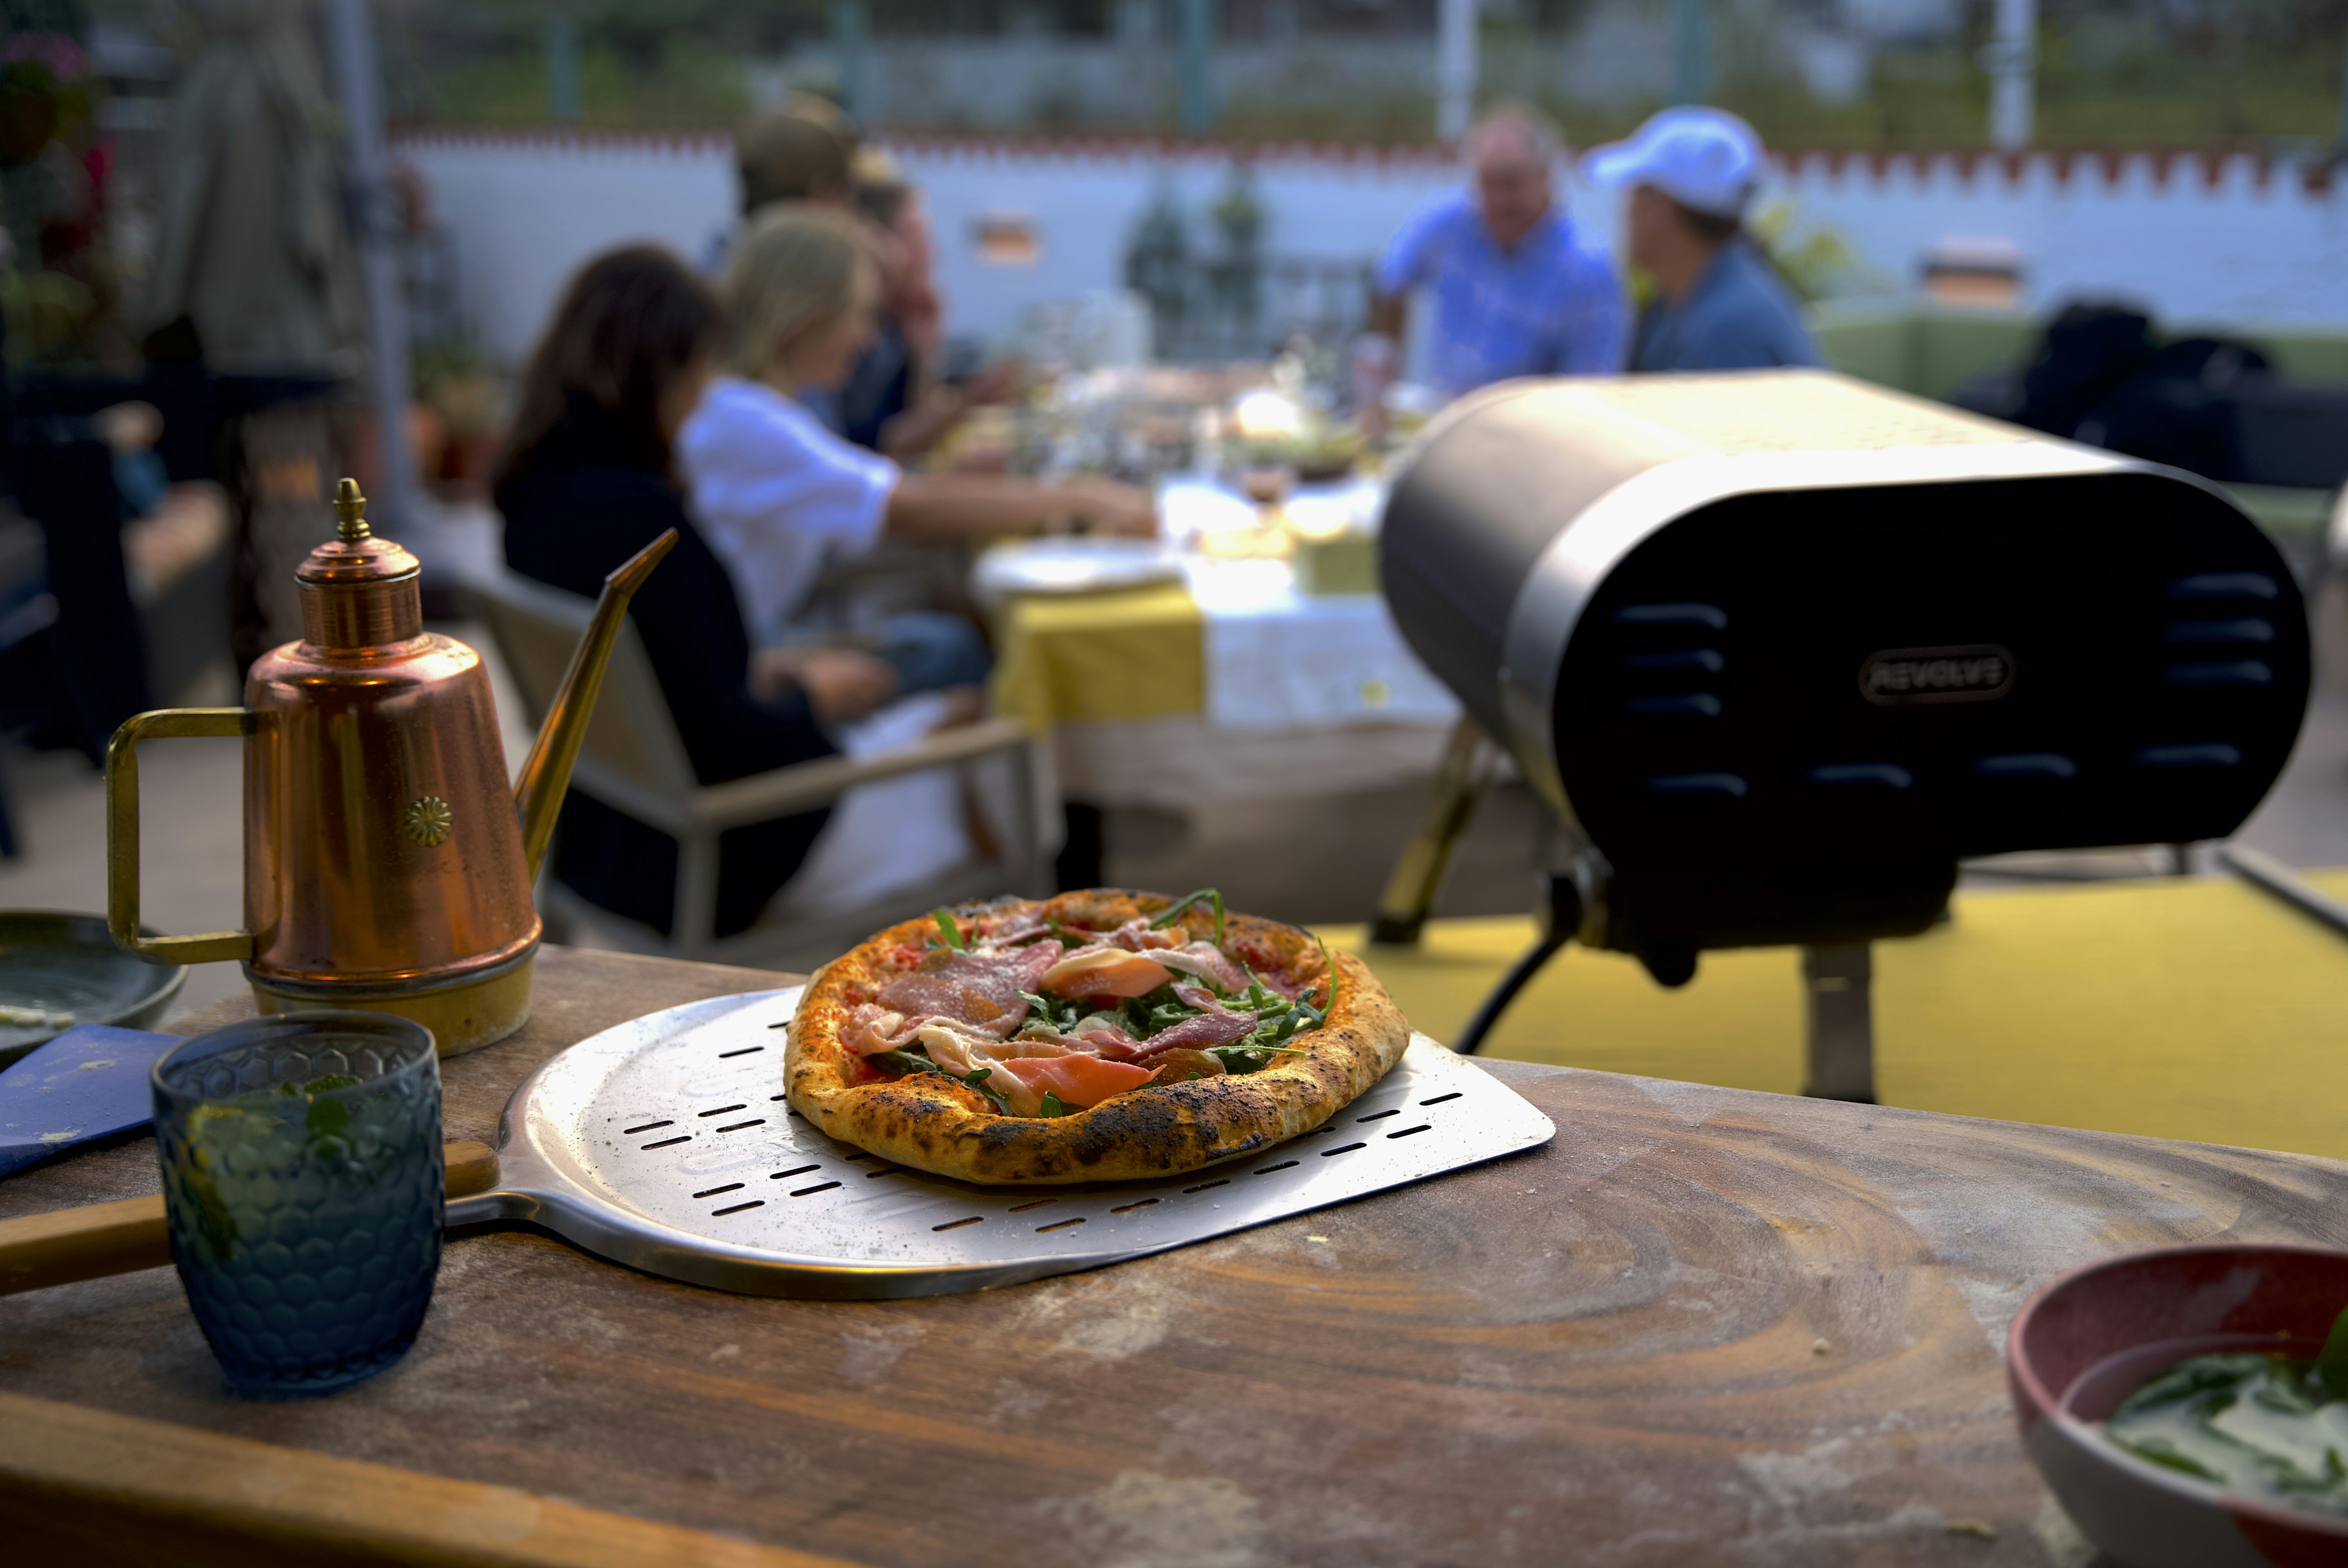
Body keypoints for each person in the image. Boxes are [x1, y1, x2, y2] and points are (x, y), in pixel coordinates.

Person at [496, 246, 884, 939]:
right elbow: (732, 734)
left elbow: (671, 673)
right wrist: (811, 696)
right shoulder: (642, 528)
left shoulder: (533, 500)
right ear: (661, 369)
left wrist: (779, 677)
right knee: (977, 736)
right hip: (713, 857)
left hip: (605, 844)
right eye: (701, 369)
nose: (704, 394)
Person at [679, 204, 1154, 683]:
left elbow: (888, 493)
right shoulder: (746, 421)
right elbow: (910, 506)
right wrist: (1085, 497)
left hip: (748, 643)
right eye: (860, 315)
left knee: (961, 631)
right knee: (965, 655)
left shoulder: (742, 407)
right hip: (748, 666)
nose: (867, 339)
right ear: (804, 314)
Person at [1362, 104, 1626, 406]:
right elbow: (1388, 282)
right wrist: (1380, 369)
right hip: (1448, 418)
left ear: (1545, 179)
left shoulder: (1587, 268)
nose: (1499, 200)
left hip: (1532, 437)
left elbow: (1591, 395)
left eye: (1511, 183)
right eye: (1488, 184)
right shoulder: (1449, 226)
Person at [1582, 106, 1822, 374]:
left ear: (1661, 208)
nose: (1625, 210)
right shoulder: (1688, 298)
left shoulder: (1728, 330)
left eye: (1636, 192)